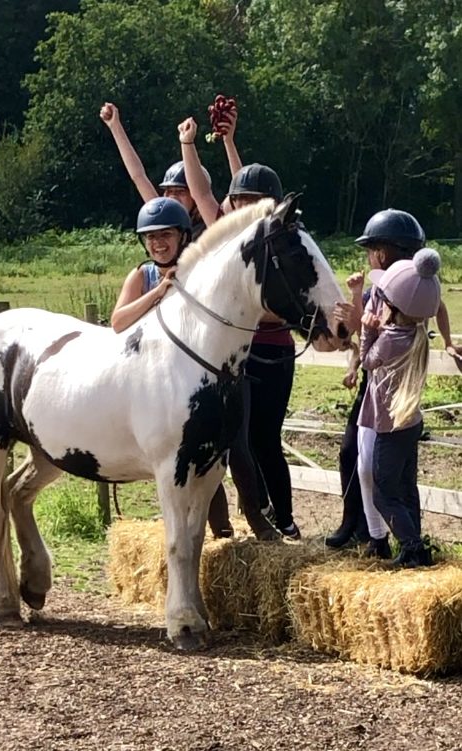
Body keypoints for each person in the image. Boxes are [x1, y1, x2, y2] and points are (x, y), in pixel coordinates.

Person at [177, 115, 300, 543]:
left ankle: (283, 517)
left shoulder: (280, 241)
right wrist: (189, 145)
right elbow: (204, 192)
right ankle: (254, 516)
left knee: (267, 440)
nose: (242, 207)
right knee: (238, 443)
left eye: (253, 201)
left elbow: (241, 191)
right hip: (236, 358)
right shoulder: (229, 241)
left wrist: (231, 143)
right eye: (239, 201)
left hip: (273, 352)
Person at [327, 209, 461, 552]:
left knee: (376, 471)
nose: (369, 256)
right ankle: (378, 531)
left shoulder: (402, 290)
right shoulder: (399, 288)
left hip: (383, 395)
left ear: (381, 253)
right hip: (389, 394)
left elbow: (367, 338)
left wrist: (363, 327)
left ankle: (393, 536)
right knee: (374, 464)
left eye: (370, 249)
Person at [111, 195, 235, 538]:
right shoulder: (142, 275)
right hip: (150, 382)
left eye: (165, 235)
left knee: (209, 457)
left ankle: (225, 528)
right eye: (151, 237)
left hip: (191, 380)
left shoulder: (200, 272)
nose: (157, 243)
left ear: (182, 236)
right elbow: (118, 321)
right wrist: (159, 292)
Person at [358, 248, 442, 567]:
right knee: (406, 488)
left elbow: (367, 361)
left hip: (390, 428)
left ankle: (410, 547)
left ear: (392, 306)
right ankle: (417, 545)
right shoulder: (417, 334)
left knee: (383, 493)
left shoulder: (392, 337)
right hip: (410, 423)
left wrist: (367, 328)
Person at [99, 101, 241, 240]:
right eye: (168, 191)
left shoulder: (213, 223)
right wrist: (115, 126)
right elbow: (138, 176)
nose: (172, 197)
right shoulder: (165, 219)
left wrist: (228, 142)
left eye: (180, 192)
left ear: (194, 196)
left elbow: (240, 194)